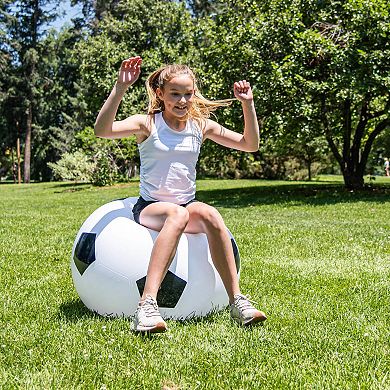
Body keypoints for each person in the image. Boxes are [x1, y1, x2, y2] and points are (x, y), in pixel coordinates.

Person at [94, 56, 267, 333]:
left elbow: (250, 144)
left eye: (188, 94)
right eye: (175, 94)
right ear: (161, 94)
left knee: (209, 213)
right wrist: (120, 88)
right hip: (151, 207)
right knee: (177, 214)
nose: (183, 101)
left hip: (187, 204)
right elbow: (102, 130)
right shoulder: (147, 124)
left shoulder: (200, 126)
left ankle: (237, 301)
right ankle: (146, 306)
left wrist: (248, 104)